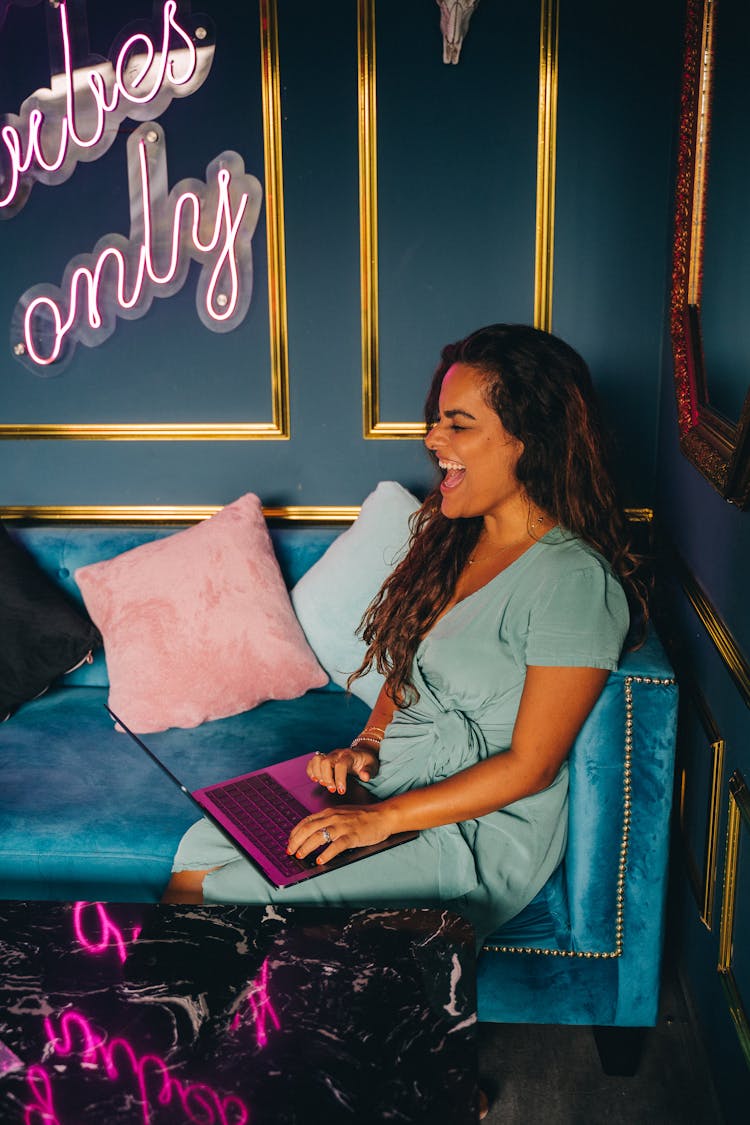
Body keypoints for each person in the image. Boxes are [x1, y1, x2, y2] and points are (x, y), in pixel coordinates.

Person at [164, 324, 643, 953]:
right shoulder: (453, 539)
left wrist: (375, 821)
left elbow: (533, 766)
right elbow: (405, 676)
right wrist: (363, 746)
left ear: (530, 441)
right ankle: (170, 1030)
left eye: (458, 424)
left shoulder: (574, 580)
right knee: (198, 857)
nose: (432, 440)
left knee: (239, 896)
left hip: (471, 829)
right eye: (436, 421)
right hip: (392, 782)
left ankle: (200, 1036)